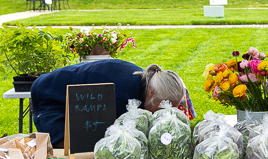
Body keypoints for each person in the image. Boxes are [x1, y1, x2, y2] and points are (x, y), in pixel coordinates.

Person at [31, 60, 187, 148]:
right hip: (51, 98)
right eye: (163, 106)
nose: (164, 113)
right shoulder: (121, 95)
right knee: (76, 152)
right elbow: (112, 136)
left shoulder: (147, 82)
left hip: (79, 98)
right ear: (152, 92)